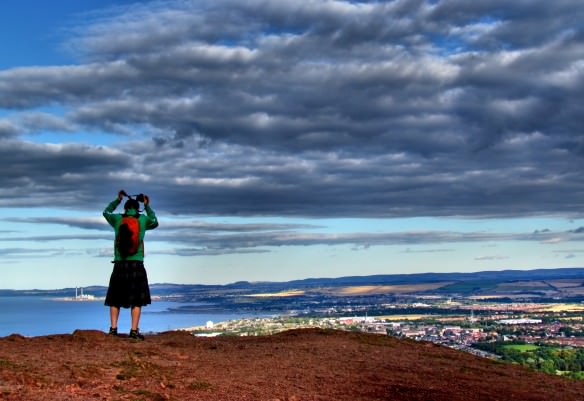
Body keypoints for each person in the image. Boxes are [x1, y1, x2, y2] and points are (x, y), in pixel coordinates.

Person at [103, 190, 159, 340]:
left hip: (120, 264)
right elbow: (155, 222)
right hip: (136, 263)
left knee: (115, 298)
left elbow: (106, 212)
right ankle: (134, 331)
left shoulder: (117, 219)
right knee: (137, 299)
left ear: (125, 208)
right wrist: (147, 206)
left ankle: (113, 329)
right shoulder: (142, 219)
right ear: (137, 207)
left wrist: (117, 200)